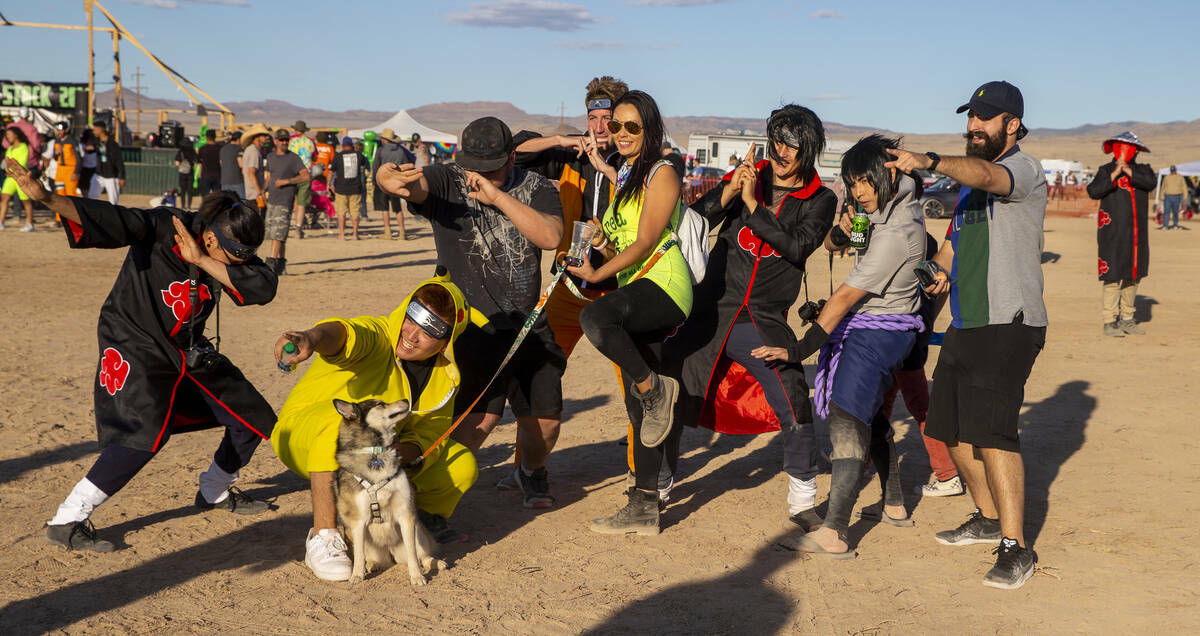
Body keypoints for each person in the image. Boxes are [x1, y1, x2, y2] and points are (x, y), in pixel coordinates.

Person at [3, 160, 279, 552]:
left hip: (187, 349)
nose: (238, 263)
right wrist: (48, 198)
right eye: (234, 256)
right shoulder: (164, 226)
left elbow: (263, 288)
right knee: (143, 432)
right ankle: (68, 518)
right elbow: (110, 217)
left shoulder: (217, 250)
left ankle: (214, 490)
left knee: (251, 416)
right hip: (135, 342)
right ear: (215, 238)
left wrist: (202, 261)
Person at [884, 80, 1048, 590]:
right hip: (967, 320)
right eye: (970, 117)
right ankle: (985, 516)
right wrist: (929, 272)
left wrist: (929, 160)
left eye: (985, 118)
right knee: (947, 428)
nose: (974, 126)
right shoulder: (971, 191)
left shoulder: (1021, 171)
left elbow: (985, 172)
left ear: (1012, 124)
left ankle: (1015, 546)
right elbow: (952, 252)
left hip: (1010, 323)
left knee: (994, 435)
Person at [376, 116, 566, 509]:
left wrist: (498, 197)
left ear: (512, 157)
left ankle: (530, 472)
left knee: (545, 424)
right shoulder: (448, 180)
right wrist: (387, 177)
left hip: (527, 326)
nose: (477, 176)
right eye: (472, 167)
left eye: (490, 168)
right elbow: (414, 185)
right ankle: (427, 498)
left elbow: (550, 236)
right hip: (469, 329)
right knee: (475, 423)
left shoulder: (535, 188)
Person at [754, 134, 927, 557]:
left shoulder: (896, 230)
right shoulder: (887, 214)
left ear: (889, 173)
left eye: (865, 181)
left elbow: (845, 297)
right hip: (878, 327)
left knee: (848, 416)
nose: (858, 191)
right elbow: (837, 246)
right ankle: (895, 504)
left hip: (878, 331)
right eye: (852, 183)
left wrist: (797, 350)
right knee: (868, 416)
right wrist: (842, 232)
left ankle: (834, 531)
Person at [673, 105, 836, 535]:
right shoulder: (751, 174)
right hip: (713, 307)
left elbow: (798, 245)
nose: (782, 152)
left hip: (761, 317)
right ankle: (655, 488)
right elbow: (696, 219)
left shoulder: (821, 199)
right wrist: (731, 191)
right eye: (777, 140)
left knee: (793, 394)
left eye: (793, 144)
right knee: (672, 393)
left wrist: (751, 205)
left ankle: (802, 499)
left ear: (811, 149)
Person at [270, 270, 483, 580]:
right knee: (345, 426)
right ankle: (325, 536)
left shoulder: (445, 378)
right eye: (412, 319)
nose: (410, 335)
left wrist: (400, 452)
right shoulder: (379, 336)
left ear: (444, 343)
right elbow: (346, 334)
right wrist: (312, 338)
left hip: (380, 454)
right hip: (305, 432)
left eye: (429, 330)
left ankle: (408, 521)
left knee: (461, 464)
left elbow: (431, 433)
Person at [510, 75, 649, 495]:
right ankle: (526, 468)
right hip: (567, 288)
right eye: (594, 118)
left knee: (636, 386)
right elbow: (512, 152)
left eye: (611, 118)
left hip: (620, 292)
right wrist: (558, 140)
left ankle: (640, 472)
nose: (603, 127)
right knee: (538, 370)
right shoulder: (569, 157)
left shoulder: (640, 164)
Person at [564, 90, 692, 534]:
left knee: (596, 319)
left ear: (650, 130)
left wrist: (597, 277)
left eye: (631, 127)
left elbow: (645, 243)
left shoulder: (663, 171)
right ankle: (644, 506)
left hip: (664, 284)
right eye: (615, 126)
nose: (620, 134)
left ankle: (657, 389)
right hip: (637, 285)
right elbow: (622, 244)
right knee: (641, 412)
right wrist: (599, 244)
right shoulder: (626, 174)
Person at [887, 232, 963, 498]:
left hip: (905, 337)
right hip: (905, 336)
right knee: (881, 401)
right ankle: (862, 457)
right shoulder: (923, 241)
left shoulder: (915, 245)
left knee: (920, 407)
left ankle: (948, 473)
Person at [1088, 132, 1154, 336]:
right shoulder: (1105, 170)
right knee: (1112, 276)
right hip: (1112, 233)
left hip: (1136, 235)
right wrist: (1116, 173)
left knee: (1133, 277)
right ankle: (1109, 321)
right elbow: (1094, 191)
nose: (1124, 151)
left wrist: (1129, 172)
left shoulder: (1144, 170)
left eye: (1128, 148)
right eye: (1121, 147)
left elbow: (1150, 184)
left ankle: (1127, 318)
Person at [263, 128, 310, 275]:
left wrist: (287, 181)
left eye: (286, 140)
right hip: (272, 199)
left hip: (285, 200)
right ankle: (281, 265)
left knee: (278, 233)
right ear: (275, 141)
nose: (284, 142)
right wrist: (262, 191)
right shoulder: (270, 157)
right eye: (281, 140)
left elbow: (305, 176)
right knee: (277, 234)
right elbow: (269, 176)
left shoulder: (293, 158)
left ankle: (270, 264)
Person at [371, 129, 417, 240]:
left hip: (382, 182)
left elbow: (376, 167)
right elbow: (407, 164)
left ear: (385, 139)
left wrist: (374, 182)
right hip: (397, 183)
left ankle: (388, 232)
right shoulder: (401, 150)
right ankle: (402, 232)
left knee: (384, 208)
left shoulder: (380, 150)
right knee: (398, 209)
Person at [1, 127, 36, 231]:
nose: (7, 137)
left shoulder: (23, 147)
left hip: (21, 177)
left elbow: (21, 163)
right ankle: (1, 221)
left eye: (9, 134)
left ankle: (30, 224)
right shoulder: (10, 148)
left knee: (25, 201)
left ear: (15, 135)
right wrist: (8, 170)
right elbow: (7, 163)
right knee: (4, 198)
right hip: (11, 177)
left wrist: (10, 167)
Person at [331, 136, 366, 240]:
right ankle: (355, 234)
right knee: (355, 212)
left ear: (342, 146)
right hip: (355, 188)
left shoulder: (338, 156)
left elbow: (331, 171)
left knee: (341, 212)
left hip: (341, 188)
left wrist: (329, 183)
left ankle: (342, 234)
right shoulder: (359, 155)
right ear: (351, 145)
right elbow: (364, 164)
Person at [288, 120, 316, 236]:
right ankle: (298, 228)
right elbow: (314, 157)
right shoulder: (310, 142)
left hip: (292, 174)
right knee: (301, 203)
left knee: (292, 201)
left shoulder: (291, 141)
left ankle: (291, 223)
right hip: (306, 175)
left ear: (295, 129)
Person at [88, 122, 124, 204]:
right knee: (92, 196)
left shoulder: (112, 143)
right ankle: (94, 214)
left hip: (111, 175)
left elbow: (119, 161)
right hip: (99, 174)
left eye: (95, 129)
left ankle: (113, 216)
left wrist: (122, 177)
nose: (94, 132)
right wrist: (89, 149)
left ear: (101, 130)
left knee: (113, 201)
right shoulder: (96, 141)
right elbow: (90, 150)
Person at [47, 121, 82, 197]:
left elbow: (79, 158)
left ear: (66, 130)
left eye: (61, 130)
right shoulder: (57, 141)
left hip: (70, 169)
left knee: (71, 193)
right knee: (60, 193)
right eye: (57, 130)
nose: (58, 132)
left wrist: (76, 172)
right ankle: (61, 209)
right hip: (60, 169)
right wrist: (56, 153)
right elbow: (55, 158)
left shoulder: (73, 141)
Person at [240, 125, 271, 206]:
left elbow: (244, 172)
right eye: (264, 135)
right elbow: (251, 173)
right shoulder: (254, 151)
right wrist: (259, 192)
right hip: (255, 197)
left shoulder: (254, 150)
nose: (267, 137)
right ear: (257, 137)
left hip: (252, 195)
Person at [1159, 164, 1187, 230]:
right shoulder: (1167, 177)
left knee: (1175, 211)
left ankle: (1175, 224)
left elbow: (1184, 187)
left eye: (1173, 170)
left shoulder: (1180, 177)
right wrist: (1161, 196)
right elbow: (1163, 187)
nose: (1173, 171)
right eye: (1171, 170)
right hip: (1168, 196)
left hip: (1177, 196)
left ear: (1175, 170)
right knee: (1167, 211)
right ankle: (1165, 225)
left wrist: (1185, 195)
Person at [197, 129, 224, 198]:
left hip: (206, 175)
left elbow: (200, 163)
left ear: (206, 137)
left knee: (205, 197)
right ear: (215, 137)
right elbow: (221, 162)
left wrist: (200, 174)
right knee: (217, 197)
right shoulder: (220, 148)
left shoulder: (202, 149)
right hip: (218, 175)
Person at [174, 140, 199, 211]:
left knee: (183, 190)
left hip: (182, 173)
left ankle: (183, 206)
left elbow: (177, 163)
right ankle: (189, 206)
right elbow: (196, 163)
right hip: (190, 173)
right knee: (189, 191)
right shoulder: (193, 152)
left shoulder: (180, 152)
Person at [220, 131, 244, 198]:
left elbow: (221, 163)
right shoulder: (239, 149)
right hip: (237, 180)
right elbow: (241, 164)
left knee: (227, 204)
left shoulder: (223, 149)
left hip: (224, 181)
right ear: (239, 139)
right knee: (241, 203)